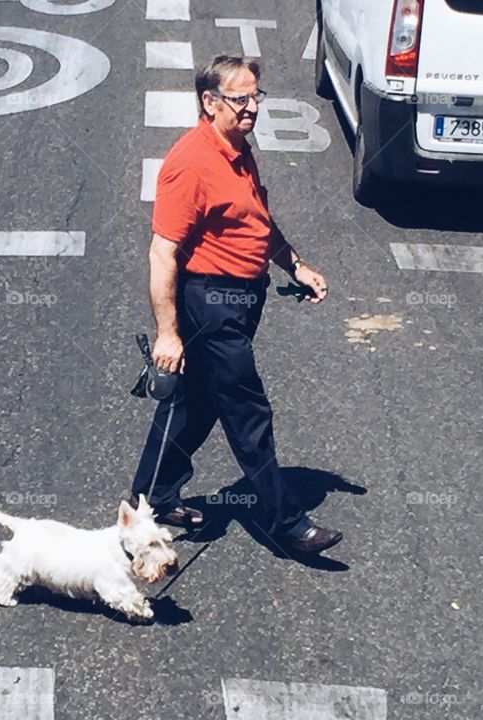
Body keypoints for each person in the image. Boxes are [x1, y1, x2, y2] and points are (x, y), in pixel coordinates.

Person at [128, 55, 342, 554]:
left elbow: (255, 223)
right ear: (209, 101)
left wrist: (296, 265)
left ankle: (150, 498)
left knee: (196, 406)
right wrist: (168, 332)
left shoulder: (238, 148)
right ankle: (286, 523)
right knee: (248, 413)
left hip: (241, 303)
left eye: (255, 97)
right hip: (210, 306)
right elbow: (162, 251)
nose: (251, 109)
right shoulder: (190, 163)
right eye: (239, 99)